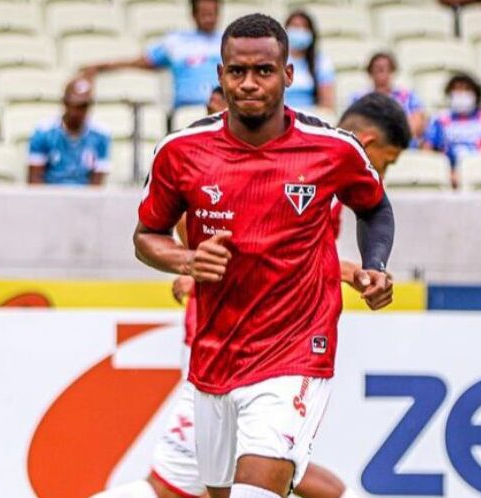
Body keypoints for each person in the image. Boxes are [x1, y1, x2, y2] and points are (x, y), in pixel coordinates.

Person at [133, 13, 396, 498]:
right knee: (211, 491)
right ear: (220, 74)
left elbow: (375, 207)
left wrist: (374, 266)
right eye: (237, 71)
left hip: (296, 350)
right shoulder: (181, 151)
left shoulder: (331, 149)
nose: (249, 83)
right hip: (215, 353)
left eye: (264, 71)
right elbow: (147, 235)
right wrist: (187, 261)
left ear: (288, 75)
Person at [79, 0, 222, 110]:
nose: (209, 19)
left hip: (222, 111)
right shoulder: (176, 42)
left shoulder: (227, 41)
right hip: (186, 113)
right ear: (193, 15)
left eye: (213, 14)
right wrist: (100, 66)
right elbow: (138, 62)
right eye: (204, 14)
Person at [422, 72, 481, 188]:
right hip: (449, 174)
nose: (461, 94)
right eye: (457, 90)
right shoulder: (439, 119)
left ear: (475, 94)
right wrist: (444, 173)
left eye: (466, 89)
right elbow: (427, 150)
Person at [28, 77, 111, 186]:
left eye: (84, 106)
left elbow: (97, 183)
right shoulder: (44, 132)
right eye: (74, 105)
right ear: (65, 103)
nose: (79, 111)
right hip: (50, 194)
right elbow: (35, 181)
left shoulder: (100, 135)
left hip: (85, 195)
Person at [351, 52, 426, 145]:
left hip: (403, 146)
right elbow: (353, 125)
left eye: (386, 68)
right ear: (370, 72)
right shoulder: (359, 98)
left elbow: (418, 121)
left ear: (392, 71)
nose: (382, 71)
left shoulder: (408, 96)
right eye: (377, 68)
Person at [283, 10, 335, 111]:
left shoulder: (321, 62)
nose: (299, 31)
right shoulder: (277, 60)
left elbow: (327, 104)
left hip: (310, 116)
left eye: (304, 27)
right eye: (295, 26)